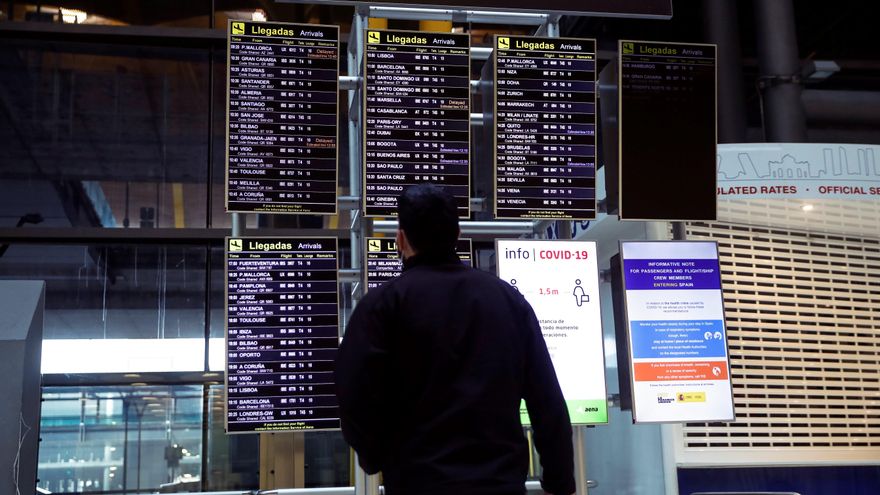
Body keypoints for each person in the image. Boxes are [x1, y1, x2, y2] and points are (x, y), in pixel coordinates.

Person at [335, 184, 575, 495]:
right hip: (500, 484)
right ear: (457, 234)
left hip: (418, 482)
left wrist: (375, 456)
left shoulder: (382, 305)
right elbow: (547, 398)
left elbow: (352, 390)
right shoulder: (507, 301)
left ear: (401, 238)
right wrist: (559, 480)